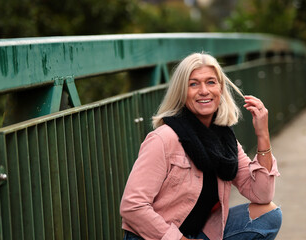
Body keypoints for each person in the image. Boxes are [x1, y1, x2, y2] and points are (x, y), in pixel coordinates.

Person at [120, 52, 282, 240]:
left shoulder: (225, 140)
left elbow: (261, 195)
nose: (204, 91)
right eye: (193, 84)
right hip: (157, 237)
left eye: (211, 82)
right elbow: (132, 206)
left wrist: (263, 134)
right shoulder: (163, 139)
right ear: (182, 92)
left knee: (269, 215)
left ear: (220, 89)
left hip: (199, 233)